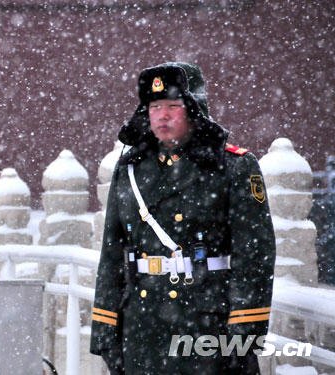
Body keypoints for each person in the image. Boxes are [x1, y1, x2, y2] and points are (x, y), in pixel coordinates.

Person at [89, 62, 276, 374]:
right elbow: (112, 255)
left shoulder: (232, 167)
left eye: (173, 106)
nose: (162, 115)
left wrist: (244, 336)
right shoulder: (130, 169)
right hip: (142, 327)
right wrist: (106, 330)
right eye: (155, 106)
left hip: (207, 324)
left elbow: (254, 255)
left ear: (193, 109)